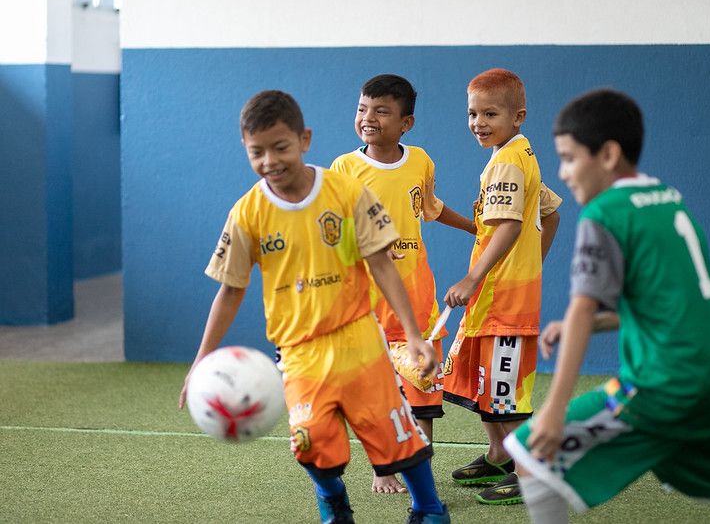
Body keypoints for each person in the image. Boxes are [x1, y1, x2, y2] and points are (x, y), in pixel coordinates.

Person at [178, 90, 450, 524]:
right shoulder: (247, 214)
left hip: (359, 339)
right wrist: (200, 360)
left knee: (395, 434)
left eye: (280, 147)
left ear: (304, 139)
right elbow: (230, 290)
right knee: (312, 443)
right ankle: (333, 502)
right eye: (257, 152)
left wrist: (413, 335)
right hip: (299, 352)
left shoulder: (346, 192)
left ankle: (429, 509)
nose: (270, 161)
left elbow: (381, 264)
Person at [503, 88, 710, 524]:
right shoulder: (667, 197)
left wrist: (553, 409)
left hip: (669, 380)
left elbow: (581, 308)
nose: (563, 173)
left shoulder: (604, 213)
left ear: (608, 155)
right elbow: (669, 300)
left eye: (569, 158)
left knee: (530, 452)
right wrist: (591, 326)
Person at [329, 73, 475, 495]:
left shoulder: (421, 161)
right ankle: (384, 468)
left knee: (423, 391)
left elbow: (430, 208)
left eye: (381, 111)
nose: (368, 118)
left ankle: (419, 471)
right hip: (367, 305)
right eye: (362, 109)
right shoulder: (344, 168)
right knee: (377, 395)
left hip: (418, 302)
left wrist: (472, 227)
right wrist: (368, 249)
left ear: (406, 123)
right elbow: (335, 233)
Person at [443, 68, 561, 505]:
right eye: (472, 114)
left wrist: (473, 277)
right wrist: (530, 264)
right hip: (496, 297)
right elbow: (550, 214)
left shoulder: (507, 162)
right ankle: (500, 456)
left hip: (502, 301)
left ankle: (534, 472)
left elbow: (509, 224)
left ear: (518, 116)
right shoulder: (520, 153)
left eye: (489, 114)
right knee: (484, 382)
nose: (478, 123)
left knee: (504, 391)